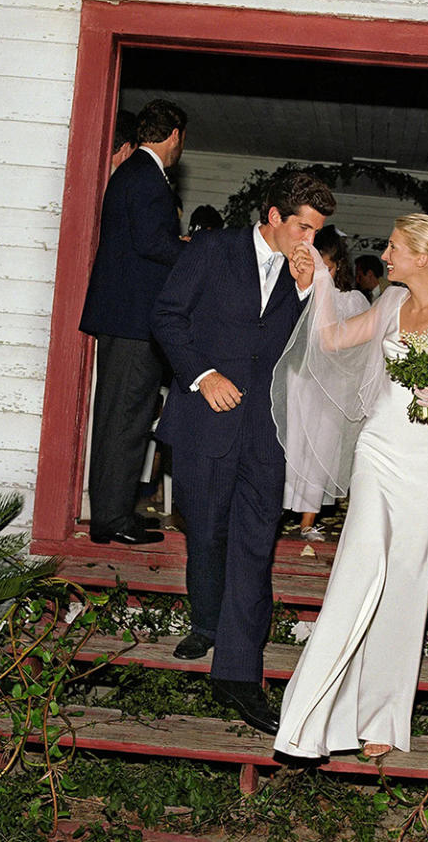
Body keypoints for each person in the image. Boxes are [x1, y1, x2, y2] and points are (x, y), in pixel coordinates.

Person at [272, 213, 428, 759]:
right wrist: (323, 282)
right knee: (358, 567)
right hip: (378, 448)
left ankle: (380, 721)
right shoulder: (390, 304)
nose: (386, 256)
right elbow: (330, 340)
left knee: (406, 581)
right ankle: (311, 719)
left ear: (422, 255)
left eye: (394, 248)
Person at [151, 171, 336, 735]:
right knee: (207, 532)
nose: (311, 239)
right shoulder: (212, 248)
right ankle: (207, 623)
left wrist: (308, 292)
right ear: (274, 217)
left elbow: (308, 351)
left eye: (319, 231)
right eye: (304, 226)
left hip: (265, 429)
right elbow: (166, 316)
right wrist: (201, 375)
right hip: (206, 418)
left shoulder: (303, 271)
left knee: (255, 544)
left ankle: (238, 673)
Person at [79, 99, 188, 546]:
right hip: (132, 320)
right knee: (126, 419)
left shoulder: (135, 173)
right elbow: (150, 243)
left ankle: (112, 513)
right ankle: (112, 517)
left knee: (120, 418)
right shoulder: (147, 176)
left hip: (125, 317)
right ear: (175, 136)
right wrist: (191, 251)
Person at [281, 225, 369, 539]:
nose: (322, 274)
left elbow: (358, 347)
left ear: (338, 266)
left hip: (332, 387)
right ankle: (278, 510)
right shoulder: (298, 291)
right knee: (292, 443)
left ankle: (307, 520)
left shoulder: (353, 300)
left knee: (322, 448)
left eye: (327, 268)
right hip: (299, 379)